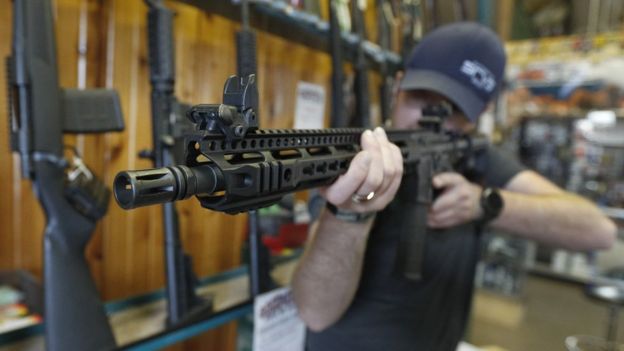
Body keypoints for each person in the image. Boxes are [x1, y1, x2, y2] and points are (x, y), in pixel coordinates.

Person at [291, 22, 617, 351]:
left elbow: (598, 231)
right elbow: (314, 313)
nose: (429, 117)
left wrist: (484, 203)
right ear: (397, 86)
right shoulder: (361, 158)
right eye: (421, 96)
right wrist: (349, 217)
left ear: (479, 116)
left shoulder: (477, 158)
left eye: (454, 109)